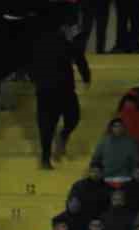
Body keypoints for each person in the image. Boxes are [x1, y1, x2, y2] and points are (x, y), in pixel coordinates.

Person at [32, 19, 90, 168]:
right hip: (59, 89)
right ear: (63, 28)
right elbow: (80, 59)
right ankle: (58, 141)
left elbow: (29, 64)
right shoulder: (66, 43)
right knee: (71, 118)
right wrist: (86, 78)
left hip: (47, 90)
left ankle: (46, 158)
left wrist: (36, 80)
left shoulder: (39, 42)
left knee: (47, 125)